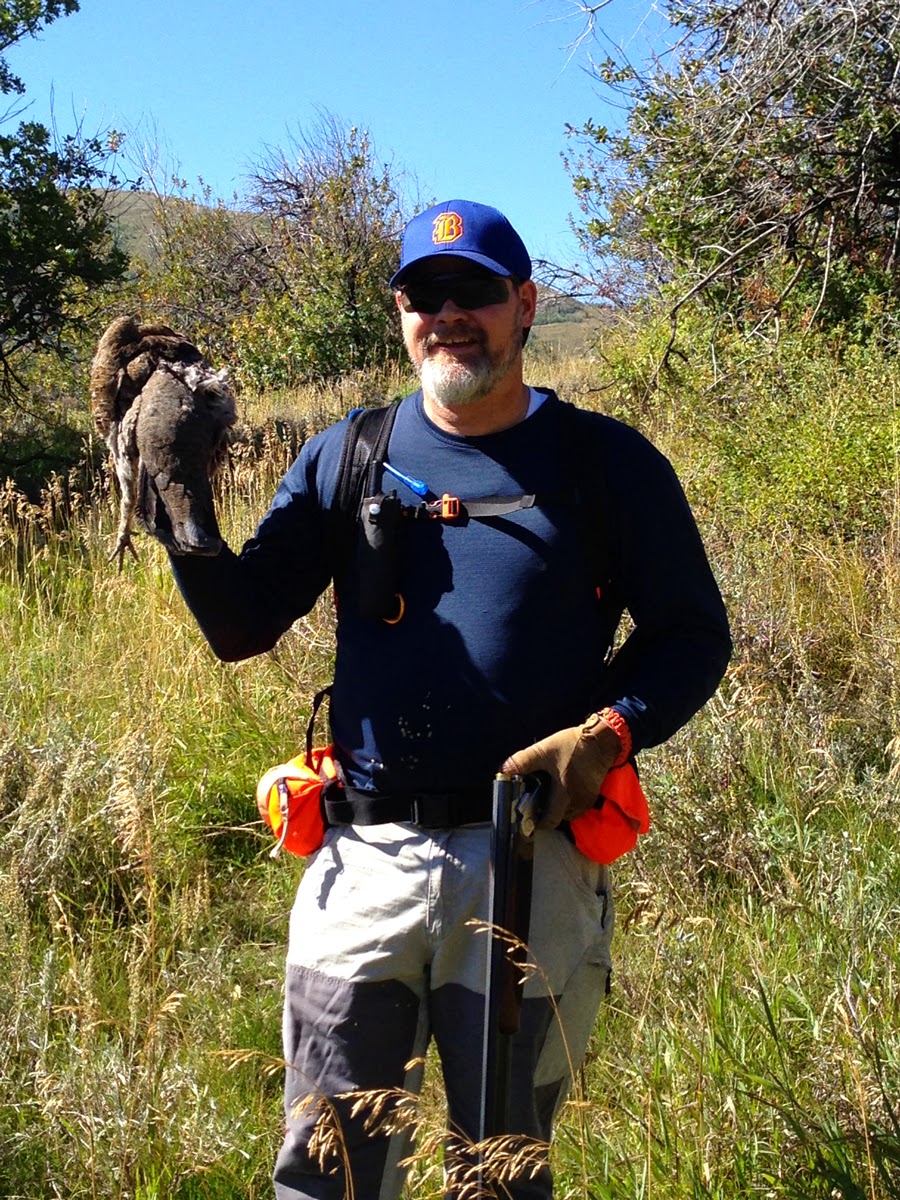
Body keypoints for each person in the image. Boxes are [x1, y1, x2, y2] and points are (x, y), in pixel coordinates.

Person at [167, 199, 732, 1199]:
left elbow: (692, 634)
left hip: (529, 860)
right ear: (400, 312)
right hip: (367, 861)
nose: (450, 313)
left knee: (502, 1172)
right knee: (326, 1168)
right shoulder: (349, 455)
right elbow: (241, 625)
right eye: (426, 295)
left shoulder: (607, 463)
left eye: (474, 290)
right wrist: (174, 503)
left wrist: (608, 734)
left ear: (524, 304)